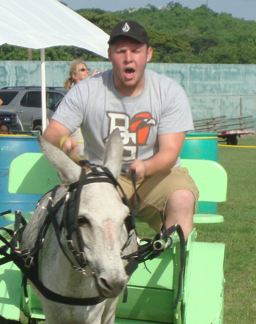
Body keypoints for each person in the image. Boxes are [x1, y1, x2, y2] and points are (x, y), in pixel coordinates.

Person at [43, 21, 198, 240]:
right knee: (92, 210)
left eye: (136, 51)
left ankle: (174, 264)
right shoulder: (86, 90)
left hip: (155, 177)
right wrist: (63, 142)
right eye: (120, 51)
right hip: (102, 177)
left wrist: (146, 166)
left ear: (148, 54)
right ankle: (99, 271)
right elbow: (52, 133)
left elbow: (170, 153)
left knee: (182, 198)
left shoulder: (169, 92)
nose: (128, 58)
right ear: (109, 54)